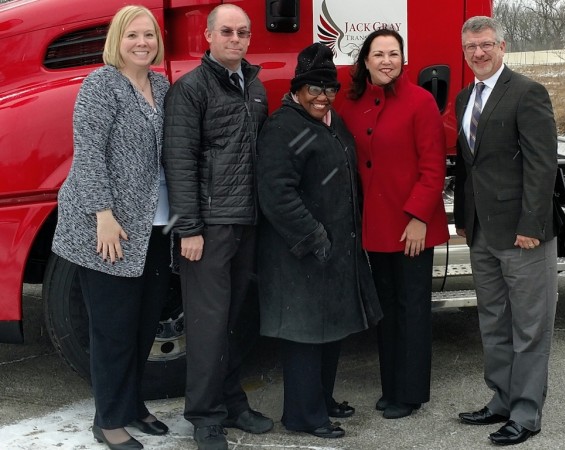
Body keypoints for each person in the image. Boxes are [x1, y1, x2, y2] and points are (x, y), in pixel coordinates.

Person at [51, 5, 171, 450]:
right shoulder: (101, 85)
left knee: (143, 324)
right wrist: (103, 215)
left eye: (150, 35)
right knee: (112, 328)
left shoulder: (160, 85)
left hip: (155, 226)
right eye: (133, 35)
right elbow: (88, 154)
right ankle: (108, 419)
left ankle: (133, 405)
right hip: (110, 228)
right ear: (116, 40)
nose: (143, 43)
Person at [255, 42, 382, 439]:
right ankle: (302, 416)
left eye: (330, 90)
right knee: (305, 336)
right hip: (300, 253)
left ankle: (322, 401)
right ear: (297, 89)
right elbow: (276, 192)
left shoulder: (332, 122)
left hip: (334, 250)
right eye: (314, 89)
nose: (323, 98)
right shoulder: (283, 127)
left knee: (330, 330)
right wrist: (312, 235)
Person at [162, 4, 273, 450]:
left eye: (242, 32)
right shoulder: (191, 90)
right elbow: (179, 160)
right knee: (207, 327)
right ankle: (205, 417)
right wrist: (189, 228)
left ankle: (231, 401)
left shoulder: (256, 87)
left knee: (233, 320)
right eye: (226, 31)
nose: (236, 39)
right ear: (207, 36)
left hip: (247, 221)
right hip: (208, 228)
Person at [453, 16, 558, 446]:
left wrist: (532, 225)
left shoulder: (527, 92)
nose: (478, 53)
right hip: (481, 233)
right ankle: (501, 398)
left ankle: (526, 412)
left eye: (486, 45)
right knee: (493, 321)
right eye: (470, 47)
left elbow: (541, 163)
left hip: (522, 235)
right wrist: (463, 218)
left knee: (530, 326)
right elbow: (467, 165)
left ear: (503, 45)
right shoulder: (463, 98)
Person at [340, 29, 449, 420]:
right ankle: (391, 389)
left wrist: (419, 217)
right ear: (365, 60)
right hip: (376, 228)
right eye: (378, 54)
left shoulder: (420, 102)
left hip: (411, 228)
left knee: (413, 309)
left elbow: (433, 166)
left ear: (403, 58)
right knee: (386, 309)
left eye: (394, 54)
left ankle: (411, 393)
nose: (387, 60)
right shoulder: (350, 104)